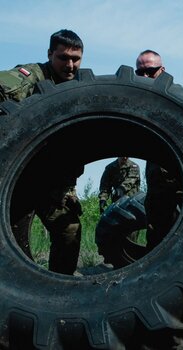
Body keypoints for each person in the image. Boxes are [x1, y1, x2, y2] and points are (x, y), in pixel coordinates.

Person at [0, 29, 84, 275]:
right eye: (63, 57)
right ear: (50, 54)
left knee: (68, 229)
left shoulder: (80, 86)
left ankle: (59, 287)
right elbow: (5, 85)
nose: (70, 65)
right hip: (16, 173)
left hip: (50, 178)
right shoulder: (32, 77)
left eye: (76, 58)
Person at [135, 50, 183, 251]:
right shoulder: (136, 101)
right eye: (140, 72)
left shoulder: (179, 97)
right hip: (157, 183)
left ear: (162, 70)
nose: (145, 76)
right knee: (156, 236)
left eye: (151, 71)